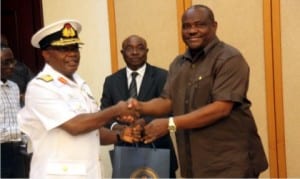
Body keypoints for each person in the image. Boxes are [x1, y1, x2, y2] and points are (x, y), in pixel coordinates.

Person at [128, 4, 268, 178]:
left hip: (229, 164)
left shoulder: (229, 58)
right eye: (186, 26)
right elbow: (168, 101)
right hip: (195, 165)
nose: (192, 31)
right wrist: (137, 106)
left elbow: (221, 108)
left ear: (214, 26)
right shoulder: (179, 63)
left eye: (200, 25)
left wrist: (170, 124)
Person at [17, 19, 137, 179]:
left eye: (75, 48)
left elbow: (94, 131)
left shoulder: (80, 84)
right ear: (46, 54)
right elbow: (74, 125)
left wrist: (119, 136)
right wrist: (116, 110)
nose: (72, 54)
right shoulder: (40, 87)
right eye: (63, 49)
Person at [100, 34, 178, 178]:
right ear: (122, 53)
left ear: (147, 52)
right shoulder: (111, 81)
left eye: (140, 48)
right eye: (130, 48)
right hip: (125, 154)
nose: (135, 52)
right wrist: (118, 128)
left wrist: (145, 122)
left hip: (159, 151)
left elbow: (172, 111)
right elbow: (104, 115)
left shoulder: (163, 76)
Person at [1, 45, 27, 178]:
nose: (11, 66)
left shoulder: (14, 87)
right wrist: (19, 131)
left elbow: (18, 117)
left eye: (13, 61)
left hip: (17, 150)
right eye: (6, 62)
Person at [1, 33, 35, 107]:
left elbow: (35, 88)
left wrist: (23, 96)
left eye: (4, 46)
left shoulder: (21, 68)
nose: (11, 66)